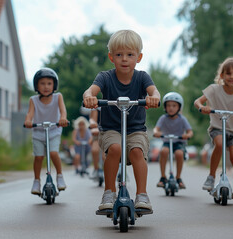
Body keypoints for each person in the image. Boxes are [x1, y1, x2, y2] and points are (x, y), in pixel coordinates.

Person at [83, 29, 160, 211]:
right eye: (119, 54)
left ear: (138, 57)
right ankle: (109, 191)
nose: (124, 59)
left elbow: (154, 91)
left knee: (136, 152)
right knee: (115, 149)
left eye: (130, 54)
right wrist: (89, 97)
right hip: (110, 129)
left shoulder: (142, 77)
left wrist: (154, 97)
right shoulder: (105, 77)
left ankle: (142, 194)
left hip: (136, 129)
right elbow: (90, 90)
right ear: (111, 57)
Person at [194, 57, 233, 196]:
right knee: (219, 143)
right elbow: (197, 101)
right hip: (217, 127)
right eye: (228, 73)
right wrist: (202, 107)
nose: (232, 77)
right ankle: (211, 177)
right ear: (222, 75)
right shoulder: (214, 89)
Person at [24, 67, 69, 195]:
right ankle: (36, 181)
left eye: (49, 83)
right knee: (38, 157)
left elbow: (63, 111)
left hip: (54, 130)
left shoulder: (58, 97)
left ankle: (60, 176)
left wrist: (63, 118)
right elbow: (30, 114)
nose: (46, 87)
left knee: (53, 153)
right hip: (38, 132)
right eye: (42, 83)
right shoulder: (33, 100)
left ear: (54, 85)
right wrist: (28, 121)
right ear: (36, 86)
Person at [153, 92, 193, 190]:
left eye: (174, 106)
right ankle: (163, 177)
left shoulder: (182, 119)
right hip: (167, 141)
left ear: (179, 107)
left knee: (179, 153)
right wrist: (156, 132)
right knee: (164, 151)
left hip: (179, 142)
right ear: (165, 107)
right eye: (168, 105)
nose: (171, 108)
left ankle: (178, 177)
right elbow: (156, 129)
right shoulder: (163, 118)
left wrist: (187, 135)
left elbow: (190, 131)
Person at [89, 108, 104, 179]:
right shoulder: (96, 107)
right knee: (94, 150)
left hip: (110, 131)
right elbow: (92, 120)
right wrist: (93, 124)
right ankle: (96, 169)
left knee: (105, 156)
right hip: (97, 132)